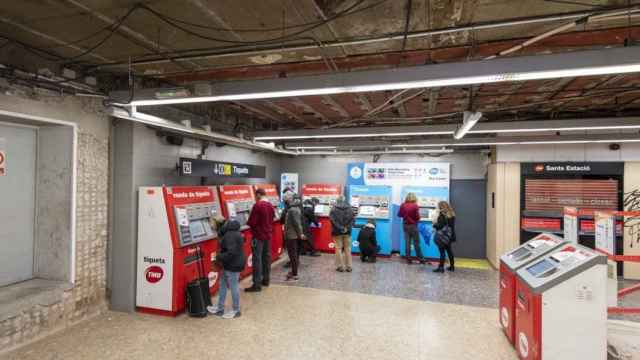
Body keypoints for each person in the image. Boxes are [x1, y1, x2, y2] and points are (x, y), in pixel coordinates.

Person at [208, 219, 245, 319]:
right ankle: (220, 308)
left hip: (233, 264)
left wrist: (219, 257)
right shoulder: (236, 232)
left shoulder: (230, 235)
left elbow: (231, 252)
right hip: (231, 263)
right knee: (222, 284)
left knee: (233, 286)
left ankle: (236, 310)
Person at [246, 188, 275, 292]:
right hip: (268, 235)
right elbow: (272, 218)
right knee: (266, 257)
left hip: (258, 236)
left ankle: (256, 284)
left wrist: (249, 216)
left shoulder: (258, 205)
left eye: (255, 195)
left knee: (256, 259)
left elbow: (251, 222)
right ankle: (266, 280)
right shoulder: (270, 205)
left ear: (258, 195)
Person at [398, 192, 426, 265]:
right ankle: (421, 259)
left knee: (407, 243)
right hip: (413, 226)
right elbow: (417, 217)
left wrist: (406, 216)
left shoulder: (403, 205)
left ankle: (408, 260)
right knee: (416, 243)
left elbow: (399, 215)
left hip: (405, 225)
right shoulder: (415, 206)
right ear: (414, 198)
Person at [330, 196, 355, 272]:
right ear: (344, 200)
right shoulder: (350, 208)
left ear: (337, 200)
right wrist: (346, 228)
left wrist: (341, 228)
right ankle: (349, 266)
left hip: (337, 232)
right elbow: (353, 220)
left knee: (338, 248)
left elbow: (332, 220)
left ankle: (340, 266)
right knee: (348, 248)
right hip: (347, 232)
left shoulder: (333, 209)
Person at [284, 195, 304, 281]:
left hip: (291, 235)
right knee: (293, 254)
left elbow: (297, 223)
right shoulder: (296, 209)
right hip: (293, 235)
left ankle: (295, 273)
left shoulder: (293, 210)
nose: (287, 201)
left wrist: (300, 234)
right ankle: (294, 272)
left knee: (292, 255)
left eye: (289, 199)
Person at [433, 201, 456, 273]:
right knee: (449, 251)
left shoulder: (442, 215)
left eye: (439, 206)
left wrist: (434, 224)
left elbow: (440, 226)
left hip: (442, 236)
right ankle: (452, 267)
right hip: (450, 235)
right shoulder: (452, 214)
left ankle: (441, 267)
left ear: (441, 207)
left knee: (442, 251)